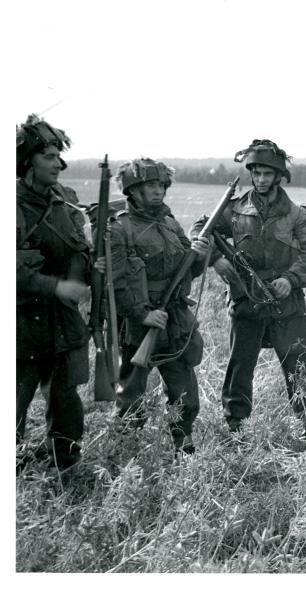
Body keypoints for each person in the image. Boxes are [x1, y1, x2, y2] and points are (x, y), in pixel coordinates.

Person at [194, 139, 306, 448]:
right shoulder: (236, 209)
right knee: (241, 365)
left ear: (279, 176)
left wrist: (290, 280)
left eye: (268, 174)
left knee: (298, 366)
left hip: (285, 303)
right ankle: (236, 428)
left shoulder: (296, 214)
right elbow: (201, 228)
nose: (262, 179)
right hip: (246, 301)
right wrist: (216, 258)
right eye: (257, 173)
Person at [109, 159, 210, 454]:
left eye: (160, 185)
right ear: (133, 191)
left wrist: (199, 256)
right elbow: (116, 284)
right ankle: (125, 455)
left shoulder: (171, 224)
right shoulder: (120, 229)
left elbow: (187, 272)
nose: (157, 191)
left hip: (173, 318)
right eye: (150, 186)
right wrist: (143, 314)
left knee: (185, 394)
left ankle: (183, 445)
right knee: (131, 397)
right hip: (138, 323)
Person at [16, 114, 93, 470]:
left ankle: (65, 466)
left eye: (59, 156)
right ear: (26, 159)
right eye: (48, 156)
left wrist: (95, 267)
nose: (58, 164)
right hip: (19, 324)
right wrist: (55, 285)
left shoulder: (67, 203)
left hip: (62, 322)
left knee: (65, 401)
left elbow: (79, 252)